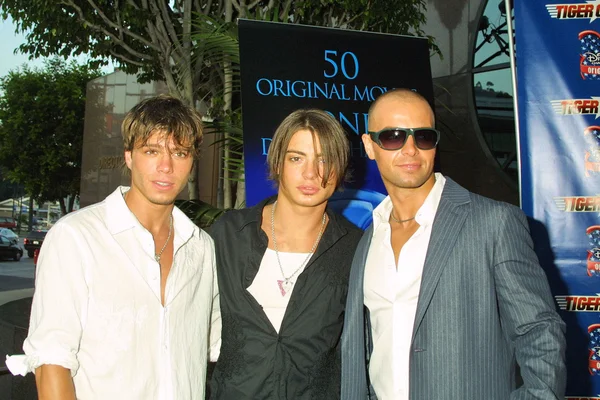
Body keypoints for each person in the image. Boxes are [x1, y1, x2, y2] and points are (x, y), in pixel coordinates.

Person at [340, 89, 567, 400]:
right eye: (393, 137)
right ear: (369, 145)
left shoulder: (493, 222)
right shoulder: (368, 239)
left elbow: (540, 331)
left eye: (423, 137)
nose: (410, 149)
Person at [6, 95, 220, 399]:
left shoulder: (202, 248)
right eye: (151, 150)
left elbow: (207, 349)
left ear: (192, 161)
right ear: (130, 156)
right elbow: (51, 361)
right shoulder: (76, 237)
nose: (166, 166)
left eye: (180, 152)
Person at [208, 109, 362, 399]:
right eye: (296, 158)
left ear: (340, 168)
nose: (311, 173)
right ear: (277, 163)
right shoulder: (228, 234)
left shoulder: (356, 248)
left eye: (324, 159)